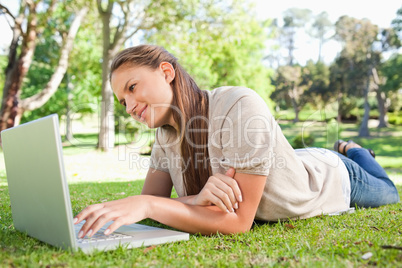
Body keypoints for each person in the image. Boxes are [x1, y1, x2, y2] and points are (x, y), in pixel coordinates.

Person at [74, 45, 399, 238]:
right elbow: (152, 206)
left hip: (332, 176)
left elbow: (238, 221)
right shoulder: (165, 135)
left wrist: (148, 204)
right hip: (287, 162)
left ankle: (352, 149)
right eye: (121, 101)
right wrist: (197, 199)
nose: (129, 107)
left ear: (166, 72)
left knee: (389, 192)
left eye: (132, 88)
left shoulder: (239, 105)